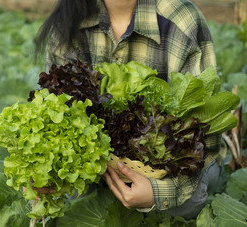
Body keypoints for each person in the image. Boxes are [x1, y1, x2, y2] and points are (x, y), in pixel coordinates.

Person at [34, 0, 224, 219]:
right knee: (71, 198)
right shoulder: (67, 19)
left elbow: (205, 144)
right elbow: (55, 115)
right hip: (99, 167)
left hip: (165, 169)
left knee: (180, 206)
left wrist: (159, 194)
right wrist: (45, 166)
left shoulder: (181, 19)